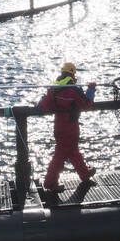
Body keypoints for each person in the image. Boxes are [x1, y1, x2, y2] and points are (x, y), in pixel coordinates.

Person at [37, 61, 98, 194]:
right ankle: (50, 182)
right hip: (71, 127)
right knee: (60, 156)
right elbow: (87, 105)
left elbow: (41, 106)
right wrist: (91, 89)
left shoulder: (53, 89)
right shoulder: (74, 89)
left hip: (58, 126)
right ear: (72, 74)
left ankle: (85, 174)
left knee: (73, 152)